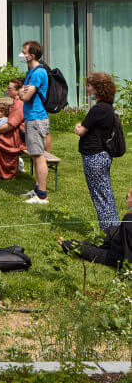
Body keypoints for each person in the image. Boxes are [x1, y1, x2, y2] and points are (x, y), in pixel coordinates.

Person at [74, 72, 120, 232]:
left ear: (97, 88)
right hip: (101, 156)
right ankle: (114, 230)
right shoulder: (107, 108)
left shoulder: (98, 109)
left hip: (95, 157)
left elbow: (81, 131)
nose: (86, 88)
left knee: (101, 195)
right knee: (104, 193)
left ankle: (110, 233)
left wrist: (78, 127)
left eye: (89, 85)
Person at [59, 186, 132, 269]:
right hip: (119, 238)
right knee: (110, 231)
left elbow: (127, 255)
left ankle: (73, 247)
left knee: (96, 252)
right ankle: (81, 244)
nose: (127, 196)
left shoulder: (129, 219)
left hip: (117, 255)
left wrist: (127, 267)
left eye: (129, 195)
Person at [18, 41, 50, 203]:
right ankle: (37, 189)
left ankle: (42, 196)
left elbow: (25, 96)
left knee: (38, 156)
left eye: (24, 52)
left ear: (32, 55)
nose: (22, 54)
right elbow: (23, 93)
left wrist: (20, 91)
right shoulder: (31, 71)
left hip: (37, 119)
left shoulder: (38, 73)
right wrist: (21, 91)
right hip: (32, 118)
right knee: (35, 155)